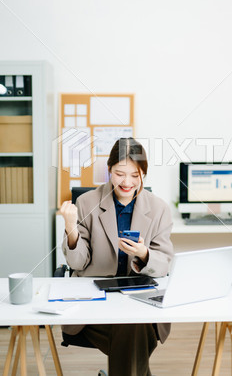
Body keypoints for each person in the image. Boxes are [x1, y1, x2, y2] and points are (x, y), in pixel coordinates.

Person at [60, 137, 174, 376]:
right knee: (134, 330)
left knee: (134, 324)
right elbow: (77, 263)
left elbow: (164, 265)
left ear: (144, 174)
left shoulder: (159, 208)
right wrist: (71, 227)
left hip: (141, 302)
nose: (127, 182)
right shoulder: (87, 202)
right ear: (109, 169)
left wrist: (143, 254)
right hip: (94, 307)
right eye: (120, 173)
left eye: (135, 175)